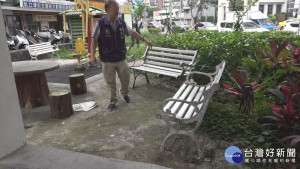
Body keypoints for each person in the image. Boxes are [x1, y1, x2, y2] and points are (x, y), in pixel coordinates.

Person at [90, 0, 152, 111]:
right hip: (107, 59)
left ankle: (124, 93)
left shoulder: (121, 23)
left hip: (121, 57)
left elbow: (132, 32)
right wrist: (92, 56)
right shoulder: (100, 24)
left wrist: (145, 40)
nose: (117, 10)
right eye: (115, 8)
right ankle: (113, 100)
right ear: (107, 10)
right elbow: (94, 40)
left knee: (126, 77)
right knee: (110, 82)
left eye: (118, 8)